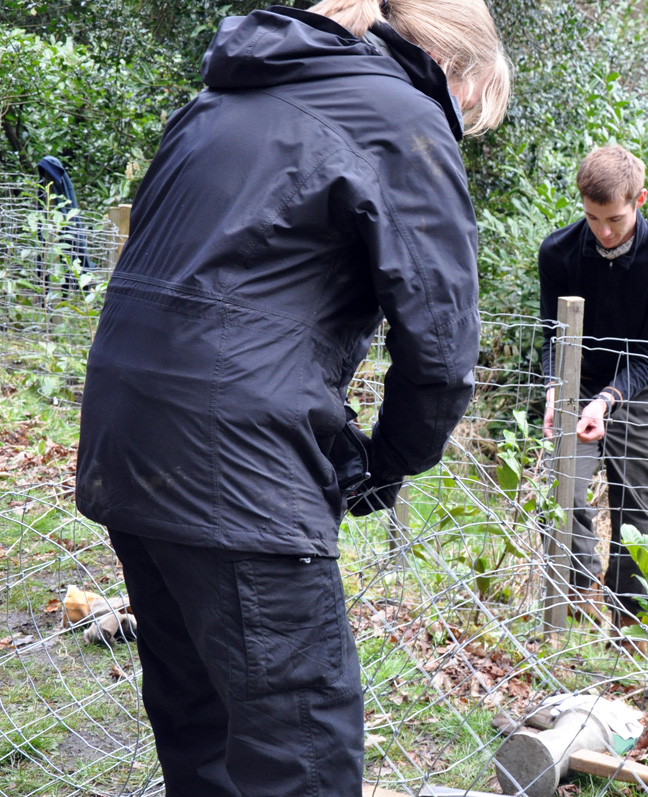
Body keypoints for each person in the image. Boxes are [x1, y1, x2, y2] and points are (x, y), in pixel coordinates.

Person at [75, 1, 509, 793]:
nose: (460, 123)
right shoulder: (403, 117)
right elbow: (441, 352)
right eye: (473, 107)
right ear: (459, 69)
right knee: (301, 755)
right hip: (235, 469)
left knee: (199, 735)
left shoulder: (217, 99)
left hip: (124, 448)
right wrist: (385, 465)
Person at [538, 144, 648, 635]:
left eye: (615, 220)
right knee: (563, 491)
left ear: (640, 200)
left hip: (642, 391)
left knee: (639, 513)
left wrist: (608, 400)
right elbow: (552, 333)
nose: (603, 232)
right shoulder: (558, 253)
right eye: (593, 218)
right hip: (575, 381)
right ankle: (573, 603)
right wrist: (554, 388)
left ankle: (630, 625)